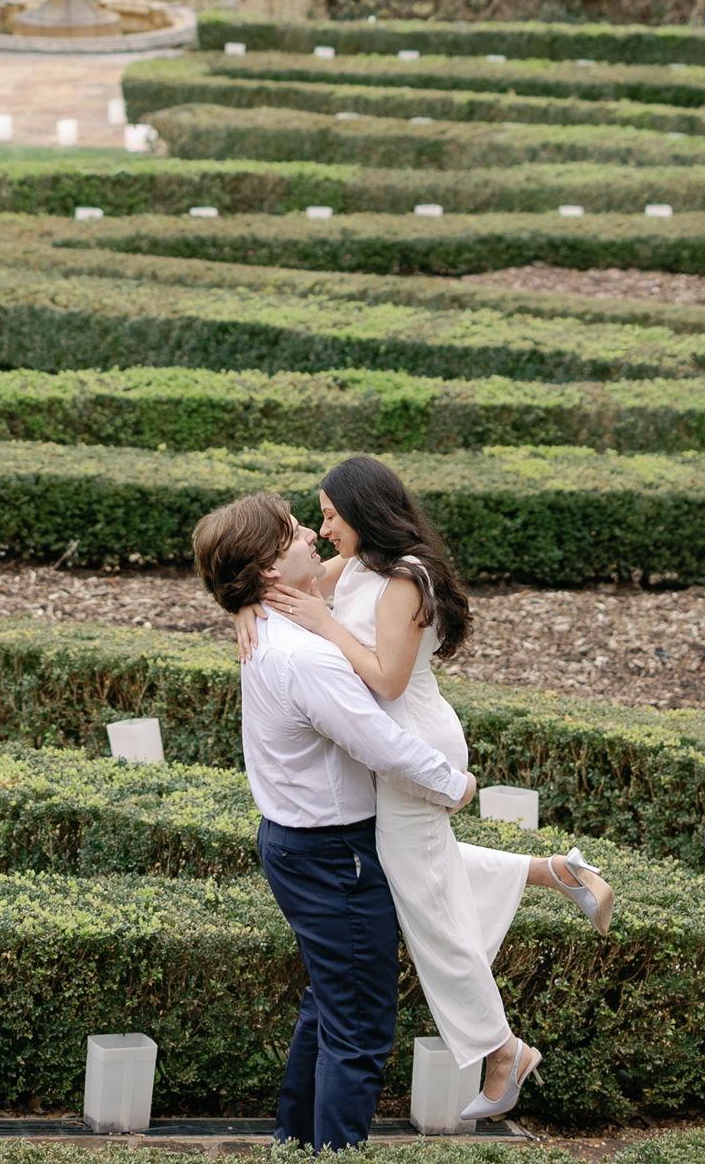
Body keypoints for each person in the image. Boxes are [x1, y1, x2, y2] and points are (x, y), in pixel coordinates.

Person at [239, 455, 615, 1123]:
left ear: (364, 512)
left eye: (331, 515)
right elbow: (279, 582)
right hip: (392, 745)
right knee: (416, 870)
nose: (324, 531)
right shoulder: (356, 565)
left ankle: (502, 1051)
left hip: (414, 743)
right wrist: (243, 605)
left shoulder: (406, 579)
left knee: (426, 904)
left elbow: (387, 680)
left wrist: (325, 625)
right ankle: (555, 873)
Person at [193, 490, 479, 1153]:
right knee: (359, 1028)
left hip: (299, 847)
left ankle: (294, 1146)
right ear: (269, 570)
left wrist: (242, 602)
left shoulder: (273, 622)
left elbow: (335, 571)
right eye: (295, 532)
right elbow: (380, 742)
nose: (311, 537)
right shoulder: (307, 656)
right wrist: (454, 784)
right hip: (335, 856)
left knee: (329, 1006)